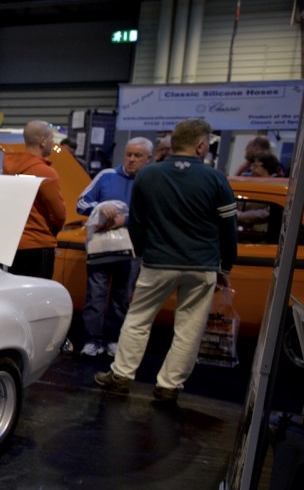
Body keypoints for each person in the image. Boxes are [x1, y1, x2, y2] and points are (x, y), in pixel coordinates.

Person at [94, 118, 238, 402]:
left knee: (138, 319)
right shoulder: (216, 178)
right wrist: (225, 266)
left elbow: (136, 222)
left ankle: (121, 375)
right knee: (188, 328)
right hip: (201, 265)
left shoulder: (148, 175)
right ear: (201, 145)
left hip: (157, 262)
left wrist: (141, 253)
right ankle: (169, 386)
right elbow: (228, 228)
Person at [75, 137, 154, 357]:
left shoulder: (152, 182)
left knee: (122, 297)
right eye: (129, 154)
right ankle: (93, 340)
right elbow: (80, 203)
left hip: (133, 250)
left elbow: (156, 213)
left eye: (138, 156)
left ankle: (113, 339)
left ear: (148, 159)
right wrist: (100, 206)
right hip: (101, 247)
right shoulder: (106, 176)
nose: (131, 159)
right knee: (95, 295)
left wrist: (124, 220)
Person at [1, 120, 66, 278]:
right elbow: (60, 215)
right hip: (38, 244)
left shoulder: (9, 168)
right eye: (51, 138)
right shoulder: (45, 172)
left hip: (14, 245)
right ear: (43, 141)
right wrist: (51, 232)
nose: (53, 143)